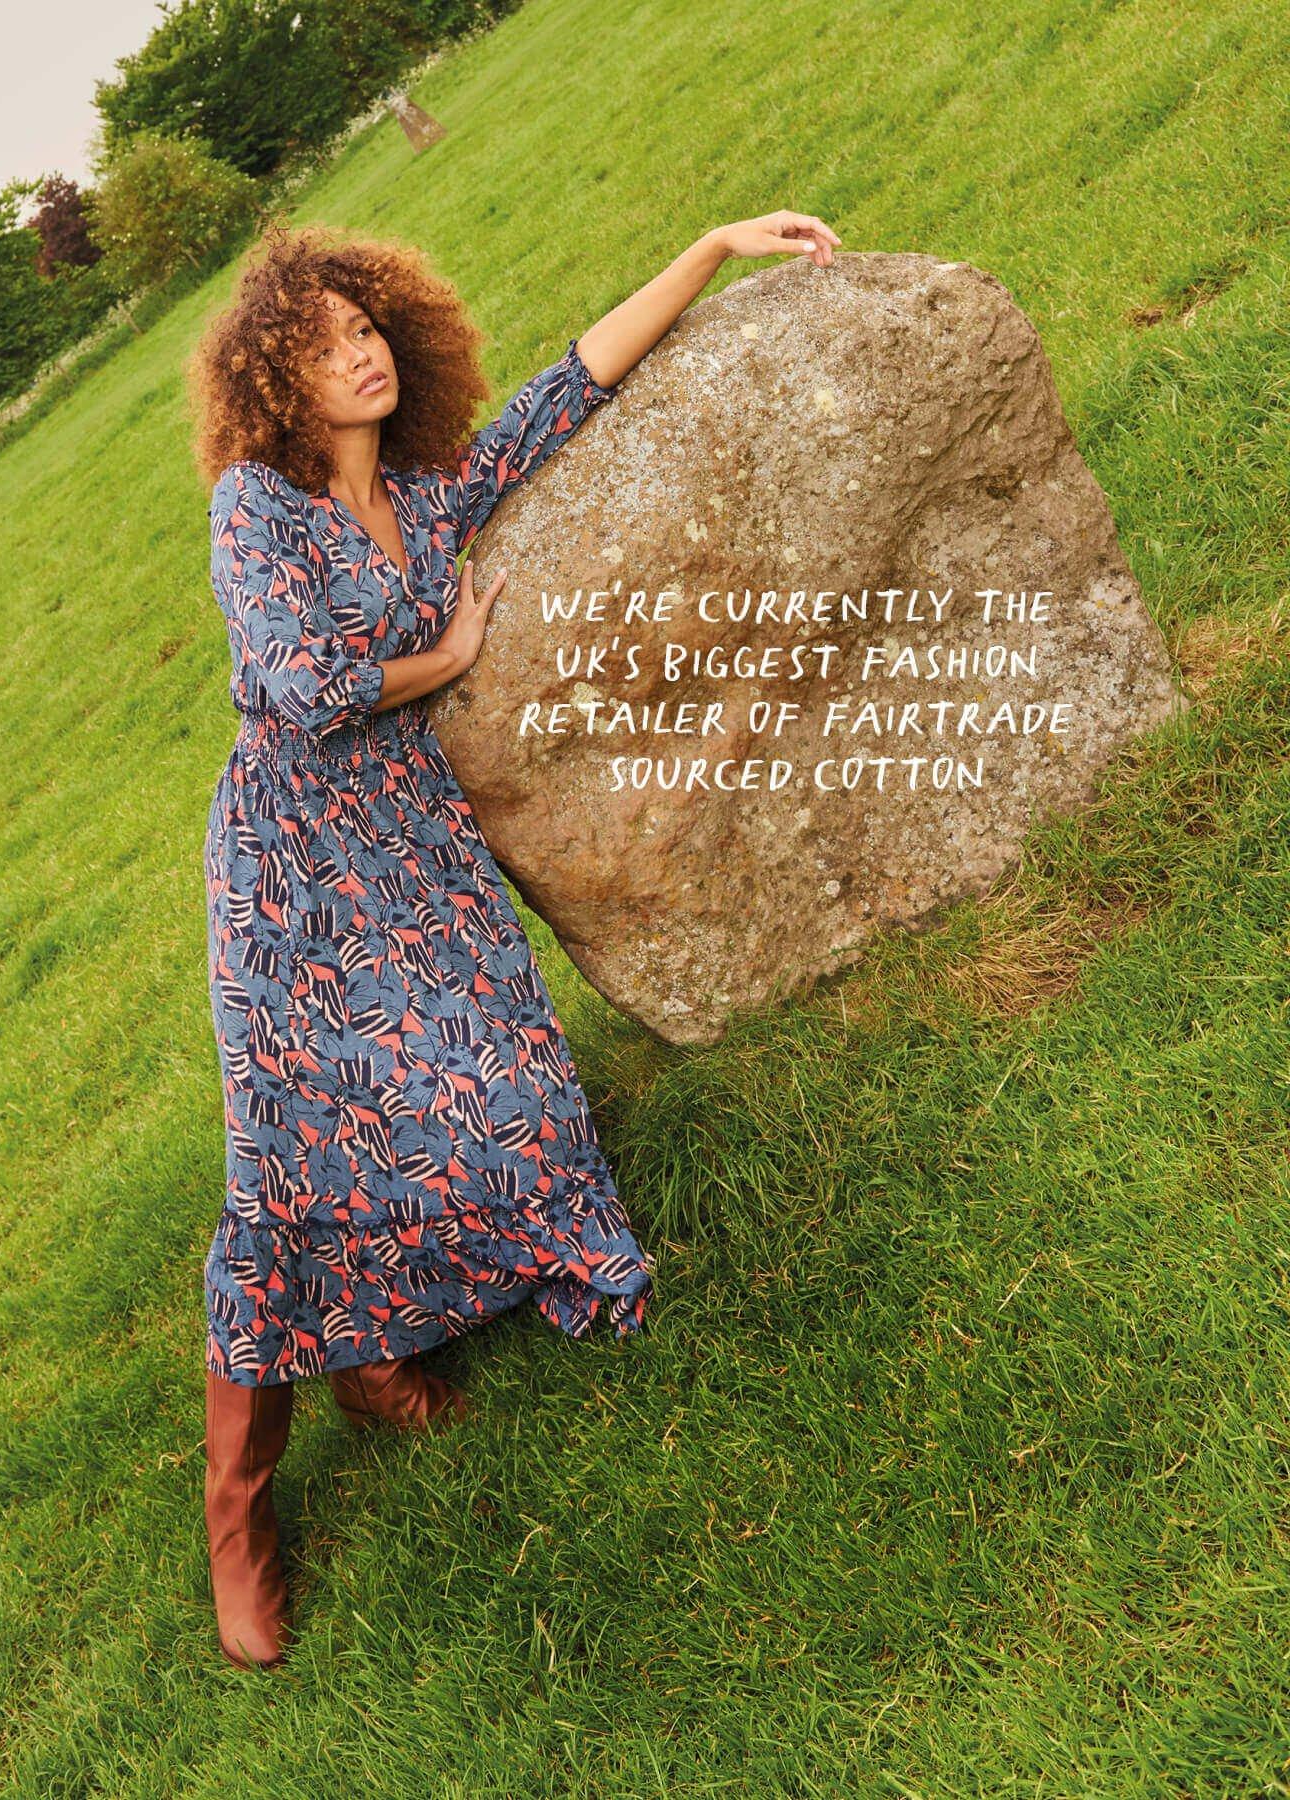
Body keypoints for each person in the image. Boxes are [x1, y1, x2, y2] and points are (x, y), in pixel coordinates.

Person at [186, 208, 840, 1669]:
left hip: (412, 840)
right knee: (296, 1161)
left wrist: (716, 247)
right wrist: (450, 657)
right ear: (273, 384)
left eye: (367, 333)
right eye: (326, 346)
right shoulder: (256, 508)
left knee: (503, 1091)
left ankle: (381, 1352)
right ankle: (241, 1510)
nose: (359, 358)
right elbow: (295, 685)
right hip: (292, 861)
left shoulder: (424, 491)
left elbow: (566, 388)